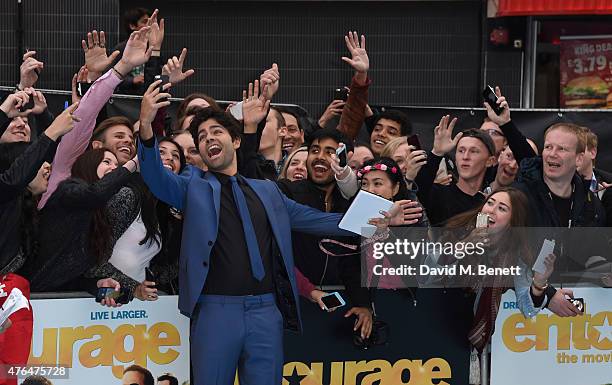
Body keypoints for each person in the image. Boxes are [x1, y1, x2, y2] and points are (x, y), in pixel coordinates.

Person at [137, 80, 407, 385]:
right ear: (199, 150)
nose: (209, 139)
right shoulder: (190, 186)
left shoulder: (269, 192)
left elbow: (325, 221)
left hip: (266, 311)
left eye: (217, 132)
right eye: (201, 137)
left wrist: (380, 216)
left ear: (235, 141)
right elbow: (155, 177)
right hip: (215, 310)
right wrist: (146, 126)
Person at [484, 86, 605, 316]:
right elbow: (480, 231)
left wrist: (601, 269)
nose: (551, 154)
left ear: (579, 158)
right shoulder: (516, 195)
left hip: (573, 322)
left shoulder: (590, 203)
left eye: (562, 149)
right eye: (548, 147)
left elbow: (592, 252)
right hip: (511, 314)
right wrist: (546, 294)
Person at [0, 98, 77, 385]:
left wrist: (47, 118)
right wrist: (49, 132)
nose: (47, 168)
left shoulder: (27, 208)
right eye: (36, 162)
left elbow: (62, 152)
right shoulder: (7, 190)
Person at [415, 116, 496, 226]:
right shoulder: (438, 194)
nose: (465, 157)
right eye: (461, 151)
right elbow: (419, 187)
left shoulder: (491, 205)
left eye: (474, 151)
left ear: (490, 161)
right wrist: (436, 153)